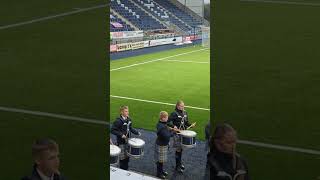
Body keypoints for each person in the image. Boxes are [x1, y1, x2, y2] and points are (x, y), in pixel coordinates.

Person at [168, 100, 196, 173]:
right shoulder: (174, 113)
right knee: (178, 150)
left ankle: (179, 163)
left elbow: (186, 122)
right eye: (181, 106)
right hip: (177, 134)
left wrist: (191, 125)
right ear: (177, 106)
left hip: (184, 133)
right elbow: (168, 122)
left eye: (184, 106)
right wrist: (173, 126)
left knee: (181, 149)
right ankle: (177, 166)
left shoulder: (185, 112)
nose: (183, 107)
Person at [111, 105, 141, 170]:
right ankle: (122, 170)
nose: (127, 112)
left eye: (128, 111)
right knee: (122, 158)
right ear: (121, 112)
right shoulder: (118, 121)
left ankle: (126, 168)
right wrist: (121, 135)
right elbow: (112, 130)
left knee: (127, 156)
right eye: (126, 111)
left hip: (128, 141)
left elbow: (130, 128)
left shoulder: (129, 119)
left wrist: (136, 132)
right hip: (121, 142)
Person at [154, 111, 179, 179]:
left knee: (161, 160)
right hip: (161, 145)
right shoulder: (161, 126)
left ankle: (161, 171)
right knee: (160, 161)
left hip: (163, 144)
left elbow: (168, 124)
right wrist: (174, 132)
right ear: (163, 118)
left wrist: (172, 127)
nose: (168, 118)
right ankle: (159, 174)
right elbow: (167, 136)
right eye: (167, 117)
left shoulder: (162, 123)